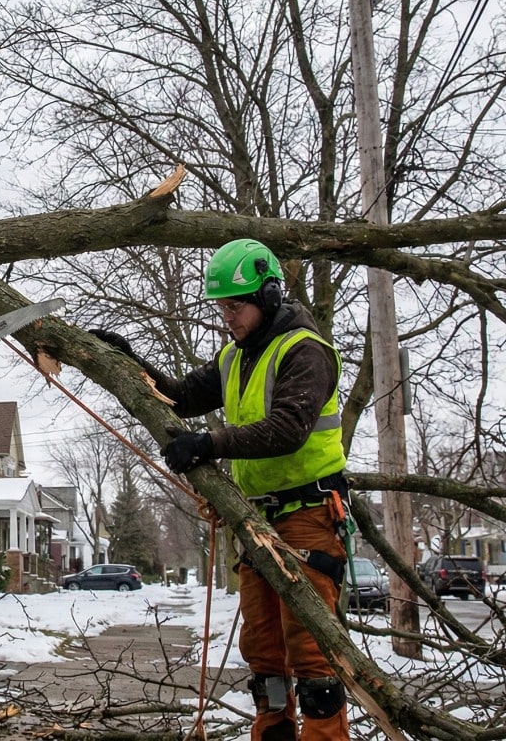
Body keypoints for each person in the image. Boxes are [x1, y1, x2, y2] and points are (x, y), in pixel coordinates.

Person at [94, 238, 349, 741]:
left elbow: (287, 429)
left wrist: (209, 443)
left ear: (269, 296)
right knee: (265, 657)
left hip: (309, 514)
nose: (226, 317)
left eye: (235, 306)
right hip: (256, 520)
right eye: (221, 307)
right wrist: (129, 362)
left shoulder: (306, 352)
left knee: (313, 660)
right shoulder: (236, 357)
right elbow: (182, 395)